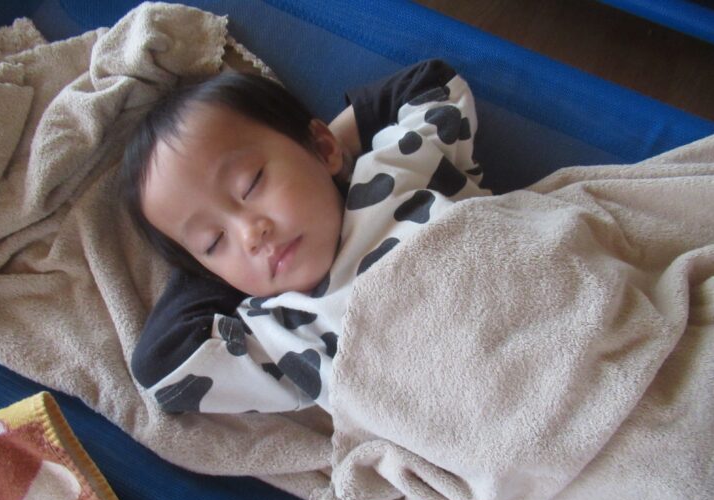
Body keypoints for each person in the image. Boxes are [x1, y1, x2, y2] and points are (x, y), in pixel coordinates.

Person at [121, 59, 489, 414]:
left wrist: (327, 153)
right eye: (213, 242)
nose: (250, 234)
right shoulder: (284, 334)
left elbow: (431, 83)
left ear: (323, 147)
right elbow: (160, 368)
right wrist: (211, 268)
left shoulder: (395, 169)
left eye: (251, 184)